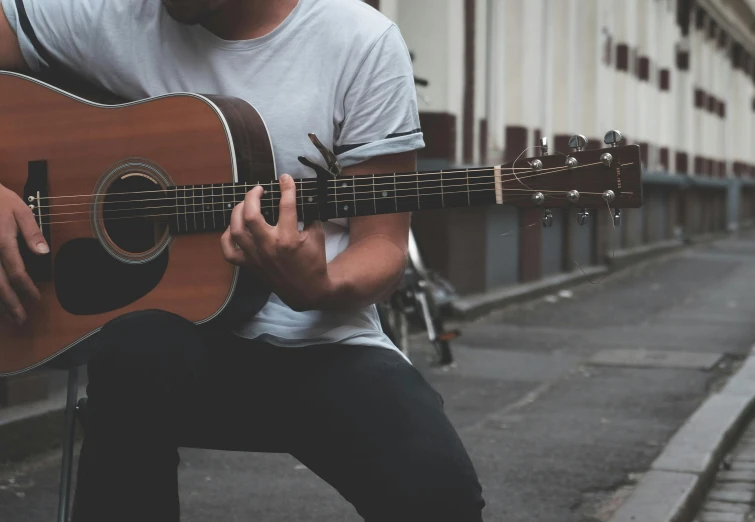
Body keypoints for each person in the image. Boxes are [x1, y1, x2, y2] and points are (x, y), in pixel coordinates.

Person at [0, 0, 485, 520]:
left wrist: (320, 286)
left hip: (324, 346)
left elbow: (384, 243)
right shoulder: (115, 12)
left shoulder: (360, 42)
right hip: (168, 348)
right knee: (135, 348)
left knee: (441, 494)